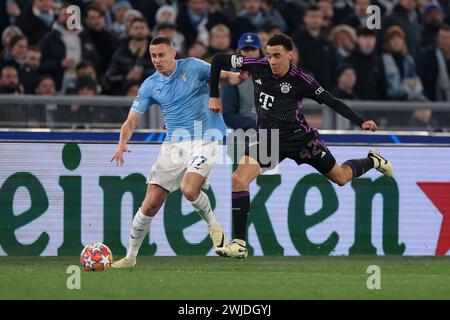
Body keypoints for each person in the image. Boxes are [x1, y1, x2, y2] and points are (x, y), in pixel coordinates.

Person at [208, 33, 394, 259]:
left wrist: (360, 121)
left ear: (290, 55)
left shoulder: (302, 80)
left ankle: (372, 160)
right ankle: (239, 244)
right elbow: (218, 59)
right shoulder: (256, 66)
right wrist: (214, 95)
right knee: (239, 178)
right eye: (269, 56)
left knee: (341, 178)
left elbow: (331, 101)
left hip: (301, 140)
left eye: (277, 56)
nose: (272, 61)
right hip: (270, 139)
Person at [111, 36, 244, 268]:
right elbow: (130, 122)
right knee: (150, 204)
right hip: (174, 145)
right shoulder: (151, 84)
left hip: (206, 138)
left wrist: (238, 75)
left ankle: (214, 228)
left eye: (161, 54)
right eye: (153, 56)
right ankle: (130, 258)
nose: (157, 60)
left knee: (189, 189)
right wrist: (122, 143)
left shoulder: (193, 65)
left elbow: (224, 74)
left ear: (173, 53)